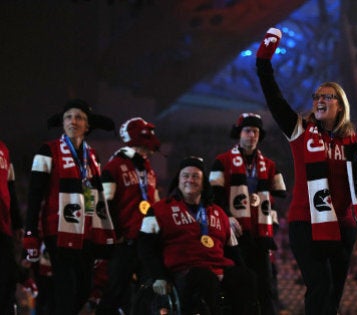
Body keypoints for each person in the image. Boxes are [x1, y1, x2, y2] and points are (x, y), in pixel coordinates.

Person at [256, 27, 357, 314]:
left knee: (333, 295)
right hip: (304, 224)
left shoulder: (352, 143)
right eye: (317, 95)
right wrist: (263, 62)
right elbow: (275, 99)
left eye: (328, 96)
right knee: (319, 286)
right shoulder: (299, 131)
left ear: (341, 106)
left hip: (343, 227)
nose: (320, 99)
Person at [22, 98, 117, 314]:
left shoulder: (92, 157)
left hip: (85, 233)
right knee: (67, 288)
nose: (73, 121)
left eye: (79, 117)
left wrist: (98, 232)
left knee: (83, 289)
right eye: (68, 117)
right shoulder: (47, 150)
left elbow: (92, 196)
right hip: (58, 231)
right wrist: (31, 233)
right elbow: (35, 195)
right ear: (62, 123)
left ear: (87, 125)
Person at [138, 156, 258, 315]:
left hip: (218, 270)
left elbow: (234, 251)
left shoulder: (219, 213)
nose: (190, 180)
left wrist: (243, 272)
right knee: (204, 278)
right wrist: (159, 276)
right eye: (185, 176)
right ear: (178, 180)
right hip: (184, 272)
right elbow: (145, 247)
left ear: (203, 183)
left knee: (247, 277)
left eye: (195, 176)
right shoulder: (159, 210)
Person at [209, 112, 287, 315]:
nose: (251, 135)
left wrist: (272, 228)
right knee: (238, 286)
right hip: (233, 235)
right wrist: (227, 218)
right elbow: (212, 198)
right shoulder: (222, 161)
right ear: (239, 133)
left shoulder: (270, 166)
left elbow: (274, 201)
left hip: (260, 237)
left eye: (255, 131)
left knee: (266, 288)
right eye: (248, 131)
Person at [95, 117, 162, 314]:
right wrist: (113, 234)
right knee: (114, 292)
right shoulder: (114, 166)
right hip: (124, 243)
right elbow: (104, 204)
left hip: (146, 242)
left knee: (146, 294)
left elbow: (155, 205)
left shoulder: (148, 169)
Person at [0, 140, 23, 314]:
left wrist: (17, 223)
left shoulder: (3, 149)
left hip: (3, 226)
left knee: (8, 280)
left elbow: (10, 187)